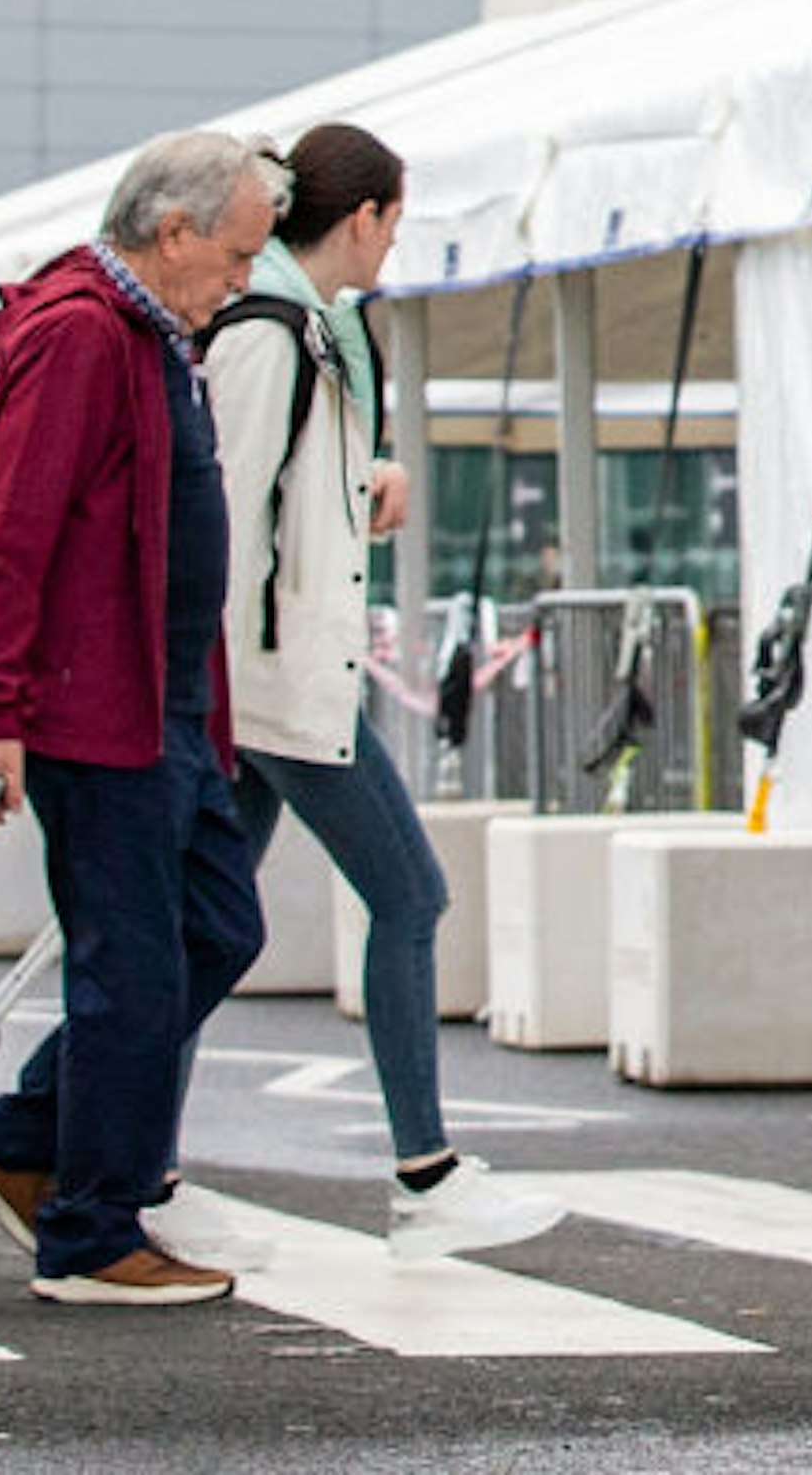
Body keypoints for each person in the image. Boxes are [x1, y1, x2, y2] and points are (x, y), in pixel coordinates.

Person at [0, 131, 283, 1306]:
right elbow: (12, 526)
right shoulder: (80, 332)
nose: (242, 280)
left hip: (170, 710)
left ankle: (24, 1141)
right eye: (235, 255)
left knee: (216, 930)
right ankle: (90, 1229)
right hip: (101, 714)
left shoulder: (146, 333)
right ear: (173, 232)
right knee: (130, 968)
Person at [200, 121, 562, 1261]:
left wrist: (363, 478)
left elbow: (280, 496)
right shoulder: (274, 332)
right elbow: (228, 507)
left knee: (202, 932)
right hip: (279, 683)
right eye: (394, 224)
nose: (393, 245)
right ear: (360, 218)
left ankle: (119, 1160)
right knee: (409, 896)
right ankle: (425, 1173)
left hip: (273, 679)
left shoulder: (308, 327)